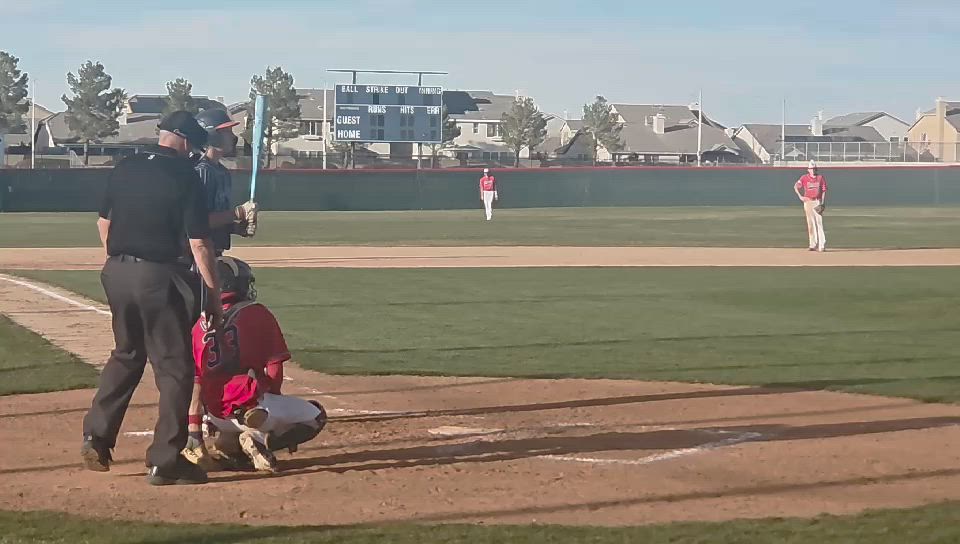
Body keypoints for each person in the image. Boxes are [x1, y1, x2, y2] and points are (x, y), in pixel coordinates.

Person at [81, 111, 224, 486]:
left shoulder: (125, 166)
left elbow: (103, 223)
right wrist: (212, 294)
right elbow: (199, 242)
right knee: (174, 366)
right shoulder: (185, 176)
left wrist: (117, 262)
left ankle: (96, 436)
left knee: (127, 354)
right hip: (158, 276)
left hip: (116, 271)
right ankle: (165, 460)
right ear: (183, 141)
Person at [184, 256, 327, 473]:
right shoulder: (256, 312)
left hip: (213, 412)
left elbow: (194, 380)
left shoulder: (199, 323)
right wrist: (273, 400)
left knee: (221, 395)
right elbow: (275, 366)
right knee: (316, 415)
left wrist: (198, 423)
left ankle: (229, 444)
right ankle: (259, 440)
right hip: (253, 407)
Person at [193, 108, 258, 256]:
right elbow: (197, 221)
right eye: (227, 132)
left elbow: (217, 216)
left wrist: (236, 228)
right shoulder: (202, 171)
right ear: (212, 135)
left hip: (216, 250)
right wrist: (238, 212)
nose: (233, 137)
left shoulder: (222, 171)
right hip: (198, 253)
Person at [794, 161, 828, 252]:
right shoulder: (804, 178)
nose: (813, 170)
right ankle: (812, 244)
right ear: (808, 170)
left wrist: (822, 203)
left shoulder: (820, 178)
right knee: (810, 224)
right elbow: (796, 186)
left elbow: (824, 190)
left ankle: (821, 245)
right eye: (811, 169)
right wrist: (800, 196)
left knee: (819, 223)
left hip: (817, 201)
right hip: (808, 201)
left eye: (814, 169)